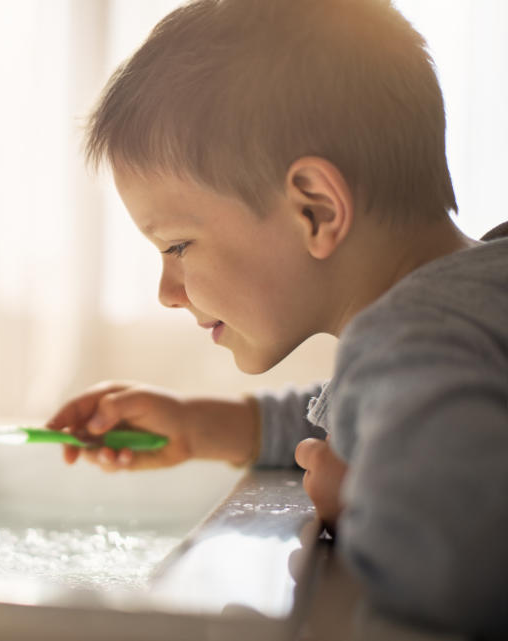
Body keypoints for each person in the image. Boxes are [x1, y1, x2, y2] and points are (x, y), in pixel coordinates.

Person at [45, 0, 508, 637]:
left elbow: (461, 566)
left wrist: (365, 501)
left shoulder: (410, 339)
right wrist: (202, 425)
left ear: (315, 210)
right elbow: (357, 408)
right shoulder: (470, 302)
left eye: (177, 247)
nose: (166, 291)